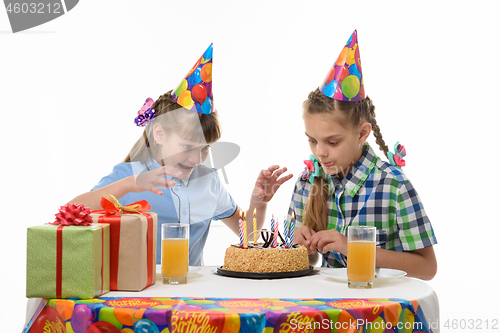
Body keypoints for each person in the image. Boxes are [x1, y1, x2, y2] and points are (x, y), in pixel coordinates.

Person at [68, 44, 292, 266]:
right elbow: (71, 214)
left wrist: (258, 202)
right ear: (159, 133)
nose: (197, 159)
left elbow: (249, 236)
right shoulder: (130, 175)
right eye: (187, 147)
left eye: (205, 148)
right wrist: (130, 185)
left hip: (193, 295)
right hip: (141, 294)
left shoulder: (209, 181)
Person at [289, 31, 437, 280]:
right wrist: (298, 245)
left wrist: (354, 248)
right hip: (327, 310)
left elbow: (427, 268)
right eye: (312, 141)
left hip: (380, 311)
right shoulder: (307, 183)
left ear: (362, 133)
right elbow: (311, 260)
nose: (320, 152)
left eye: (332, 142)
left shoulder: (394, 185)